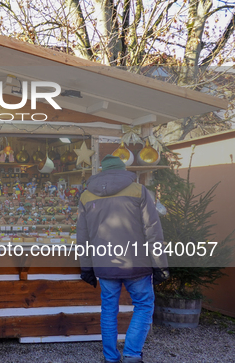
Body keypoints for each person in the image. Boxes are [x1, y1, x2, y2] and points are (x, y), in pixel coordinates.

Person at [77, 155, 169, 363]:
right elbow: (153, 231)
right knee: (144, 305)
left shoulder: (86, 195)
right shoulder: (138, 191)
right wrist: (160, 265)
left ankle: (111, 357)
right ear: (123, 170)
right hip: (137, 263)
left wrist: (86, 268)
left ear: (102, 171)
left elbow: (82, 237)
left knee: (108, 309)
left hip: (103, 264)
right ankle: (132, 354)